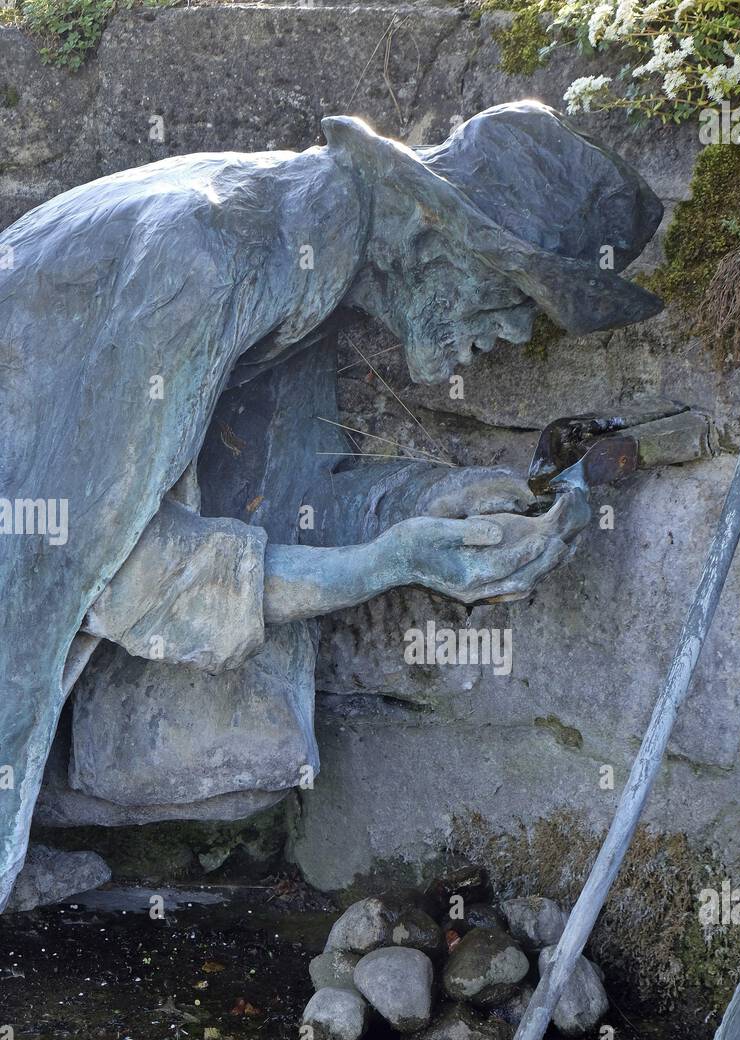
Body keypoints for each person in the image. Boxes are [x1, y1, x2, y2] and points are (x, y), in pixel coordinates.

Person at [0, 101, 663, 908]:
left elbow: (291, 500)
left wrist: (437, 502)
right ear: (432, 233)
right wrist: (389, 564)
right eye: (515, 294)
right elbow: (108, 566)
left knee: (250, 750)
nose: (520, 333)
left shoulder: (300, 262)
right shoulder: (209, 259)